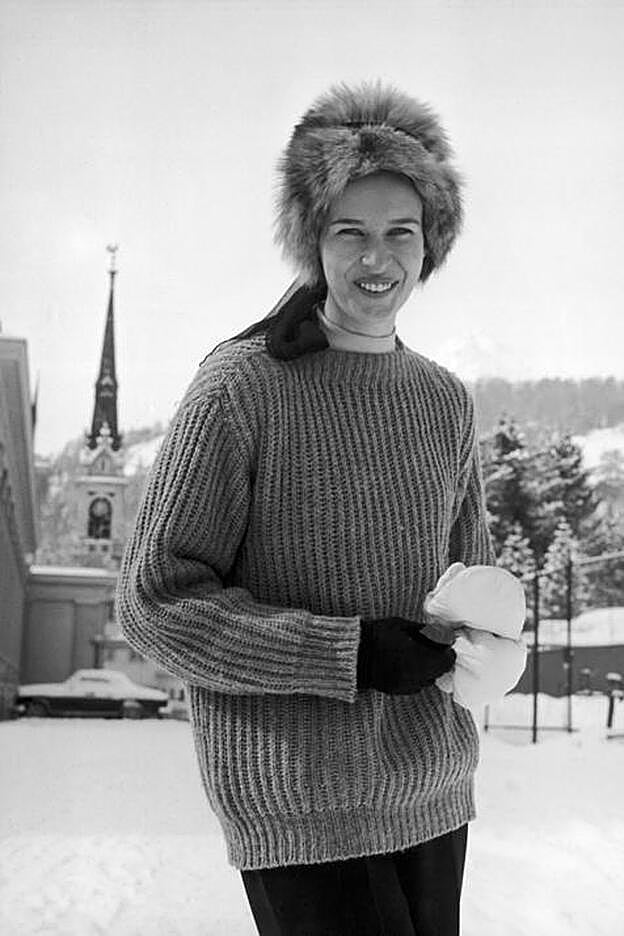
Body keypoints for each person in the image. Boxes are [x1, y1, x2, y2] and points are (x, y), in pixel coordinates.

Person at [116, 81, 496, 936]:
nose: (377, 255)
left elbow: (468, 583)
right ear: (311, 242)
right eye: (348, 230)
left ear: (430, 243)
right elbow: (154, 607)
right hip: (301, 805)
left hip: (433, 790)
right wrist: (347, 652)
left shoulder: (443, 399)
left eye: (401, 230)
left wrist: (488, 634)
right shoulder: (241, 388)